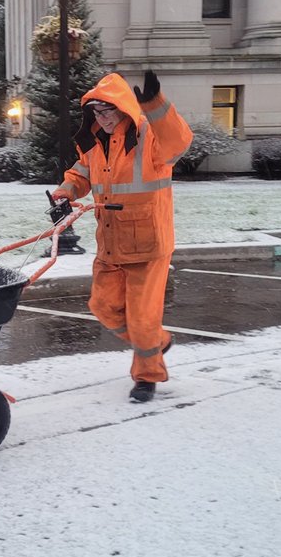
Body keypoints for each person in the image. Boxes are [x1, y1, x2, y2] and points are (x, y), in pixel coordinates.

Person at [53, 70, 192, 402]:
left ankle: (147, 375)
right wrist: (65, 192)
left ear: (124, 108)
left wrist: (155, 104)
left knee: (142, 319)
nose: (102, 119)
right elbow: (81, 172)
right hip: (112, 243)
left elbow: (180, 141)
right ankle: (157, 343)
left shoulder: (150, 138)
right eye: (96, 113)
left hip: (148, 244)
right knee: (103, 306)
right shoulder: (94, 142)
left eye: (108, 111)